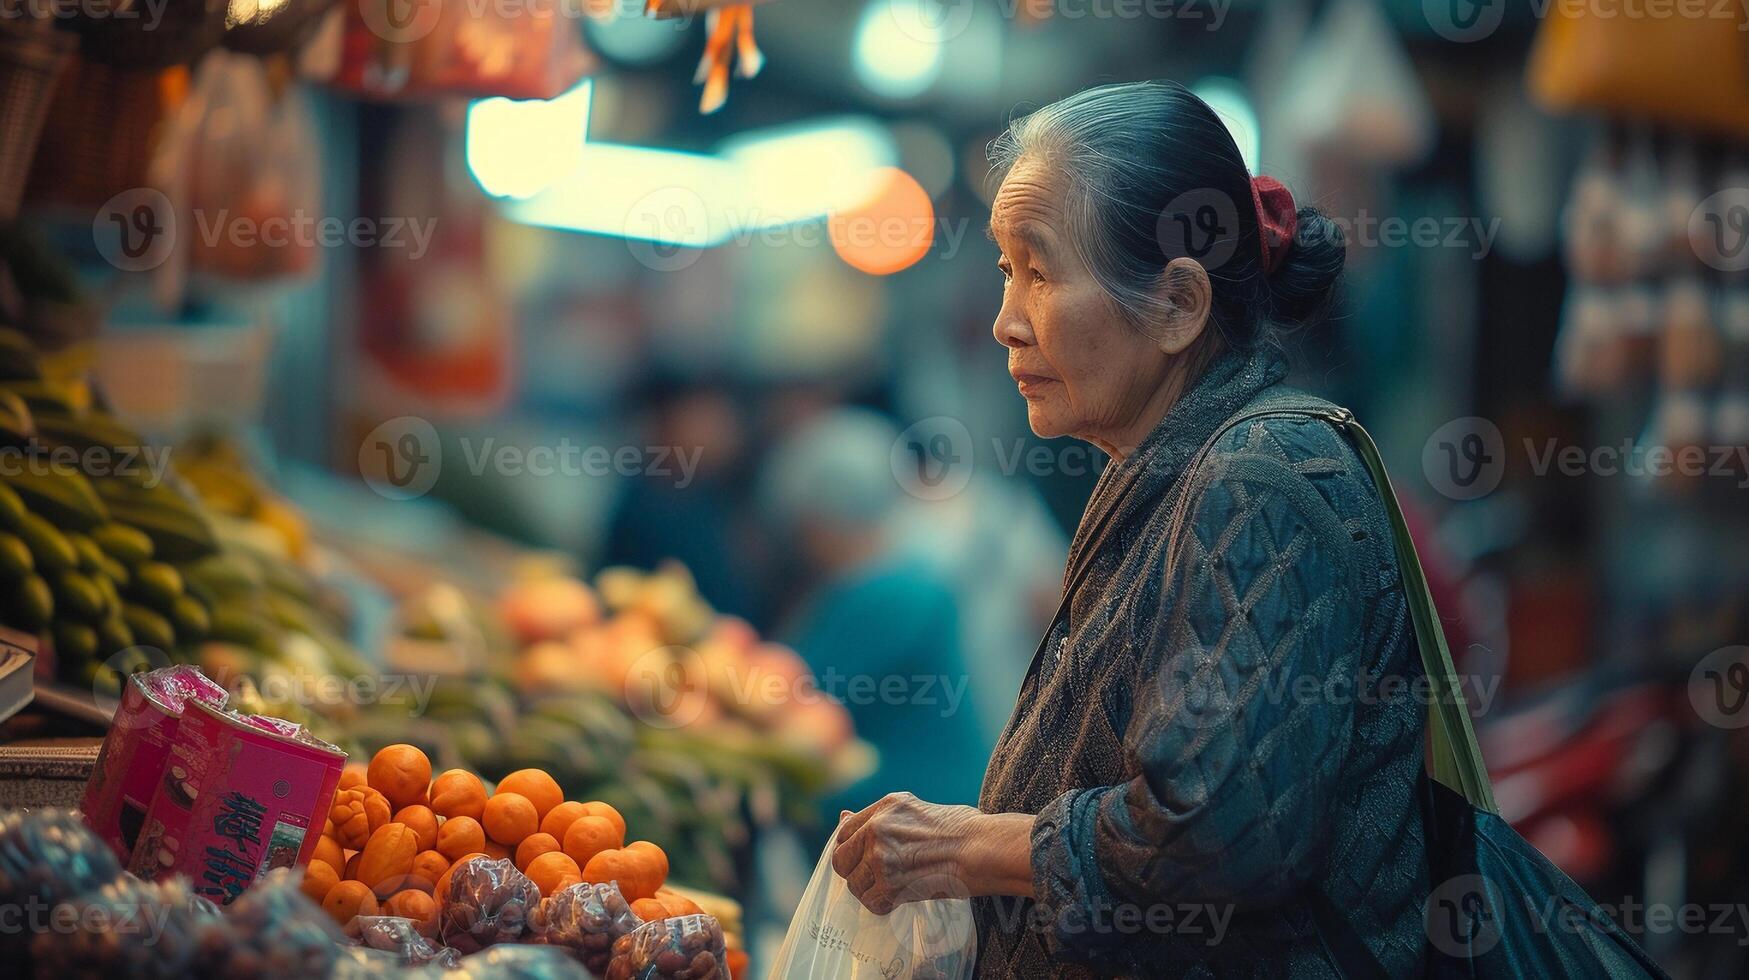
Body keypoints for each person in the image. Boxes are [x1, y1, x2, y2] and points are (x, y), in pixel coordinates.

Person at [830, 80, 1431, 975]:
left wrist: (962, 849)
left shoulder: (1260, 476)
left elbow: (1213, 833)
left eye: (1039, 272)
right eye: (1005, 273)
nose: (1004, 323)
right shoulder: (1164, 469)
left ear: (1178, 306)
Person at [760, 408, 992, 815]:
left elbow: (786, 693)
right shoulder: (906, 577)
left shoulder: (890, 595)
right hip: (937, 811)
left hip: (927, 819)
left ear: (817, 520)